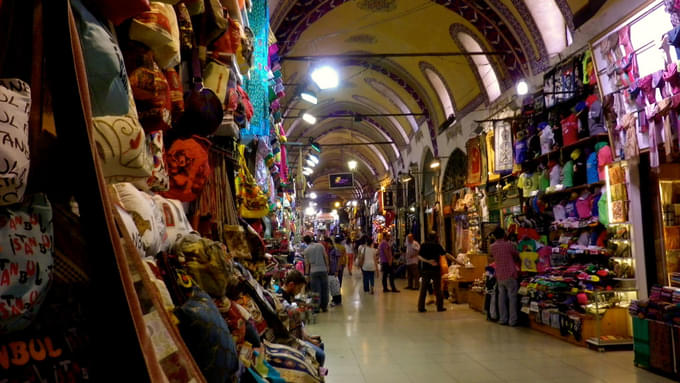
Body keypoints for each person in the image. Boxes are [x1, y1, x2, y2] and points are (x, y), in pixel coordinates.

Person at [278, 270, 325, 366]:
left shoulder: (286, 296)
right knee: (321, 354)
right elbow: (292, 328)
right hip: (290, 339)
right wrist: (309, 340)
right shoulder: (282, 300)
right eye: (299, 288)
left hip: (296, 335)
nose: (299, 291)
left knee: (320, 345)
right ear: (291, 285)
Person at [489, 227, 520, 326]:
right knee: (512, 298)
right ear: (504, 234)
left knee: (501, 298)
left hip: (499, 275)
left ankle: (503, 319)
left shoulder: (492, 247)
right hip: (510, 274)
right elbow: (516, 256)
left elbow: (492, 256)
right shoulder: (509, 245)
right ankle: (512, 320)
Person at [417, 232, 452, 312]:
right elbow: (446, 254)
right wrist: (457, 261)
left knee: (423, 289)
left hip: (425, 270)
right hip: (435, 270)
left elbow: (419, 256)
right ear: (436, 237)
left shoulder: (423, 245)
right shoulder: (437, 246)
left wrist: (427, 261)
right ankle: (440, 307)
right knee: (438, 289)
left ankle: (421, 307)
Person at [303, 235, 330, 312]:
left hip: (313, 271)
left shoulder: (306, 250)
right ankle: (324, 307)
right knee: (325, 289)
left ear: (305, 242)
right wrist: (327, 266)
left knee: (315, 291)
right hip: (323, 269)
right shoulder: (320, 245)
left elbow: (307, 264)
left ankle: (316, 308)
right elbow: (325, 256)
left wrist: (307, 275)